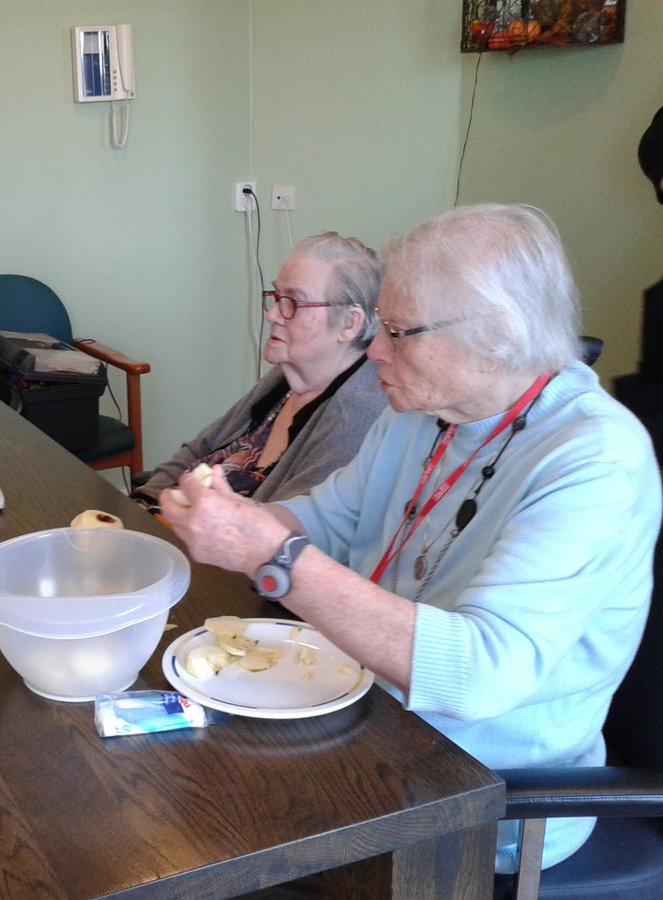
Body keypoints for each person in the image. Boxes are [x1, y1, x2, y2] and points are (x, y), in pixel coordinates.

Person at [161, 203, 662, 873]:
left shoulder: (594, 461)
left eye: (397, 332)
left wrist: (270, 555)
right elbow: (331, 518)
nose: (373, 351)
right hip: (368, 725)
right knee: (170, 781)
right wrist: (236, 520)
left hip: (481, 798)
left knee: (199, 831)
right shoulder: (422, 412)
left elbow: (481, 674)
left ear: (497, 336)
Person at [132, 232, 387, 513]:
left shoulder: (356, 415)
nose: (273, 314)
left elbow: (284, 536)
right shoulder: (287, 378)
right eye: (277, 296)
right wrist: (144, 503)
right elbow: (199, 449)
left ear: (349, 324)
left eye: (293, 302)